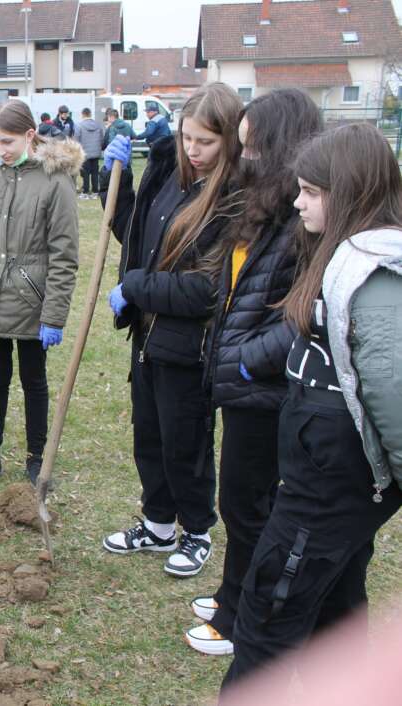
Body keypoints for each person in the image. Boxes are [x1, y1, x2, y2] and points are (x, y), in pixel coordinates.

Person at [221, 123, 402, 689]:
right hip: (317, 475)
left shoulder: (374, 277)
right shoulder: (339, 255)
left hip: (329, 487)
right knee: (337, 608)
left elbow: (392, 397)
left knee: (269, 616)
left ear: (349, 191)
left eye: (311, 191)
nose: (298, 202)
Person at [186, 89, 323, 657]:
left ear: (284, 147)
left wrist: (246, 357)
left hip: (266, 388)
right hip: (242, 384)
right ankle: (231, 591)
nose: (243, 159)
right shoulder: (264, 205)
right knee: (241, 501)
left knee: (249, 504)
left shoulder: (307, 220)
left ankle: (242, 615)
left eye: (254, 148)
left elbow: (303, 313)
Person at [99, 82, 243, 578]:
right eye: (187, 138)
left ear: (229, 140)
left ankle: (197, 530)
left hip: (191, 342)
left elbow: (203, 290)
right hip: (148, 336)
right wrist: (110, 179)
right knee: (150, 434)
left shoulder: (231, 200)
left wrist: (135, 286)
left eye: (205, 141)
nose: (193, 151)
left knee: (186, 442)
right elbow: (132, 236)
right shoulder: (173, 179)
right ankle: (159, 525)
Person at [0, 99, 80, 490]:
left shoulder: (55, 182)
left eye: (7, 142)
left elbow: (64, 255)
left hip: (32, 301)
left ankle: (36, 457)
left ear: (29, 135)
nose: (0, 151)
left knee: (33, 380)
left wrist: (54, 315)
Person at [75, 107, 104, 199]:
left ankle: (86, 192)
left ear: (83, 114)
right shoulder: (98, 125)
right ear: (90, 114)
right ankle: (95, 191)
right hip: (95, 153)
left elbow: (76, 139)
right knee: (95, 173)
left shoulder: (79, 125)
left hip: (85, 153)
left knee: (85, 173)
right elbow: (101, 138)